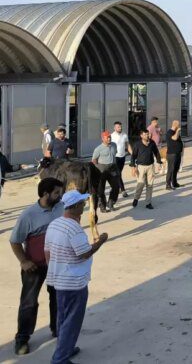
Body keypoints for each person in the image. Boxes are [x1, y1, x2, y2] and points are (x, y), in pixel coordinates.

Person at [45, 190, 108, 364]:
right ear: (75, 207)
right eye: (81, 203)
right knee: (72, 321)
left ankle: (65, 348)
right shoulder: (74, 229)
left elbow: (47, 252)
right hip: (74, 283)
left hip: (59, 281)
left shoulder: (55, 224)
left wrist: (54, 272)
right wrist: (101, 240)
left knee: (63, 318)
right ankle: (60, 359)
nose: (84, 205)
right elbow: (84, 254)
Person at [10, 178, 65, 355]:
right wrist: (24, 261)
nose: (60, 196)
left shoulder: (60, 208)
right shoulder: (29, 215)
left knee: (57, 297)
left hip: (56, 264)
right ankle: (22, 338)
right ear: (45, 194)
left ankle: (57, 328)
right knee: (29, 303)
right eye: (56, 193)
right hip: (34, 266)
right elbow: (15, 241)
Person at [130, 129, 163, 209]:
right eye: (145, 134)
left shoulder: (152, 143)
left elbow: (156, 153)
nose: (147, 136)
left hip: (150, 166)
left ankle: (148, 203)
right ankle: (136, 198)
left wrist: (159, 162)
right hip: (140, 167)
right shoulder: (137, 144)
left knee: (150, 185)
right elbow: (133, 156)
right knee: (140, 184)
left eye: (148, 134)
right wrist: (133, 166)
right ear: (141, 135)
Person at [91, 130, 119, 212]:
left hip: (112, 169)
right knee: (100, 189)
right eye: (107, 137)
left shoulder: (114, 145)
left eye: (110, 137)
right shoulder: (98, 149)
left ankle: (111, 202)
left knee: (116, 186)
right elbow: (94, 160)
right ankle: (102, 206)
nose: (109, 139)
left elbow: (115, 154)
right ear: (103, 138)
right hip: (101, 170)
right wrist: (98, 168)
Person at [110, 122, 131, 198]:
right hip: (115, 157)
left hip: (122, 157)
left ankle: (117, 187)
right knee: (118, 173)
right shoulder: (111, 136)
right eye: (118, 127)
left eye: (120, 127)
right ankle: (123, 190)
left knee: (119, 173)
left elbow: (127, 145)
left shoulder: (124, 135)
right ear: (114, 128)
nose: (120, 128)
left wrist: (132, 154)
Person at [165, 120, 183, 190]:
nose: (179, 126)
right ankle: (168, 184)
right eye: (178, 125)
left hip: (177, 153)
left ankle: (174, 183)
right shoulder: (169, 132)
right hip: (172, 154)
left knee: (176, 169)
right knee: (171, 169)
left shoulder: (175, 132)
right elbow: (174, 138)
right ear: (175, 125)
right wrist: (178, 131)